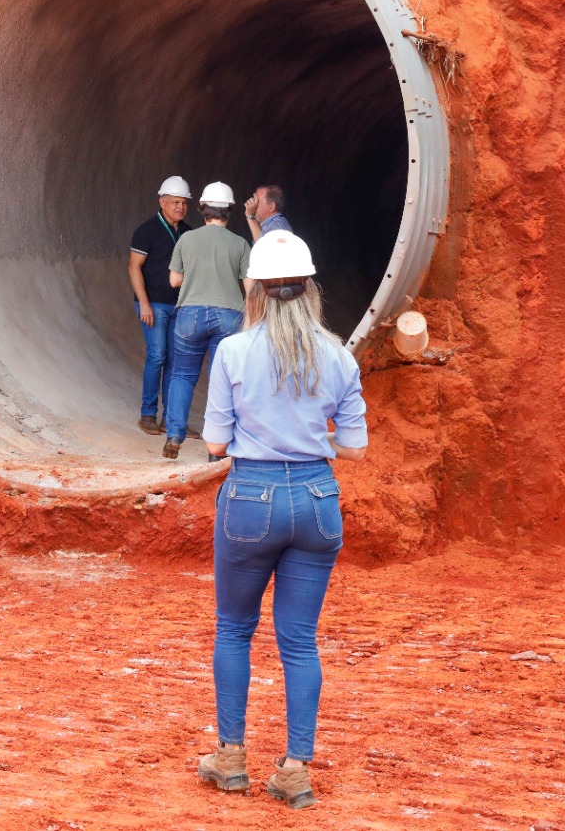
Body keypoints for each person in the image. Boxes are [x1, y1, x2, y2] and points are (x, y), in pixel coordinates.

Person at [195, 231, 368, 809]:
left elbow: (216, 443)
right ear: (310, 289)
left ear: (257, 291)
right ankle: (295, 770)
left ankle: (230, 757)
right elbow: (355, 447)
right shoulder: (339, 356)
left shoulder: (235, 352)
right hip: (317, 499)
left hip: (252, 498)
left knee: (234, 629)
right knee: (299, 641)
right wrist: (307, 434)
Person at [162, 181, 251, 459]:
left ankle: (175, 436)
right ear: (230, 212)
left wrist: (198, 277)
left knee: (183, 374)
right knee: (222, 380)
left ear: (202, 209)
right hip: (229, 315)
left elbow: (174, 280)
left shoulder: (186, 240)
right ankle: (217, 448)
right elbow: (250, 289)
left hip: (189, 313)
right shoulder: (240, 243)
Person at [128, 176, 192, 436]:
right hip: (153, 304)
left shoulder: (188, 233)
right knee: (158, 355)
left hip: (178, 306)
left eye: (184, 202)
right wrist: (143, 303)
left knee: (176, 362)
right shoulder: (147, 231)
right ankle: (147, 415)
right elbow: (134, 267)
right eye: (175, 202)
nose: (180, 207)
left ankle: (171, 419)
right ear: (162, 201)